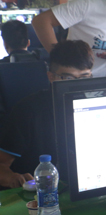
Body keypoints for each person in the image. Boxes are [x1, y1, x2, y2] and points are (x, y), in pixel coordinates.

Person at [0, 40, 93, 189]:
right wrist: (12, 178)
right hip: (42, 192)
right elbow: (2, 164)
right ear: (51, 77)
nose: (76, 86)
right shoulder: (28, 111)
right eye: (68, 78)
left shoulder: (97, 106)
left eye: (84, 77)